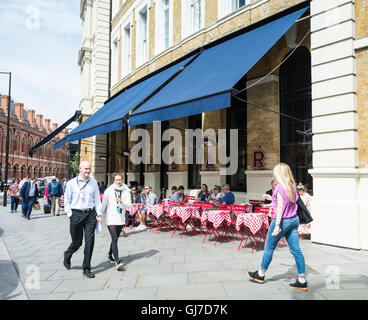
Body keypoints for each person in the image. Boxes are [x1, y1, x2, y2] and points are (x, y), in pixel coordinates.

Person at [248, 163, 308, 291]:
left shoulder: (280, 187)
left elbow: (280, 208)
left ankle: (260, 274)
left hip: (282, 221)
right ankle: (302, 280)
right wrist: (271, 198)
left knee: (269, 247)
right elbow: (287, 202)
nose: (274, 174)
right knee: (296, 250)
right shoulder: (291, 186)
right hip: (293, 220)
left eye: (276, 172)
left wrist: (277, 226)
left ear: (279, 173)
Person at [63, 161, 102, 279]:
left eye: (89, 169)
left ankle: (86, 268)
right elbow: (67, 200)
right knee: (77, 242)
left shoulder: (93, 182)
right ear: (80, 168)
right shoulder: (71, 183)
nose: (87, 171)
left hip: (90, 214)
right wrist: (70, 214)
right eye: (85, 169)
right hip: (76, 214)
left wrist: (99, 214)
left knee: (90, 241)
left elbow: (96, 199)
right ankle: (68, 254)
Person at [101, 173, 131, 271]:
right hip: (111, 218)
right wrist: (99, 215)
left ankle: (110, 255)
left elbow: (129, 205)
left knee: (116, 238)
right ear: (114, 180)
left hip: (121, 218)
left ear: (122, 180)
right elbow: (104, 203)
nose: (118, 181)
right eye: (116, 180)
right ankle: (117, 261)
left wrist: (121, 201)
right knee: (114, 238)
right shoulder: (109, 190)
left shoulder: (126, 191)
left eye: (120, 180)